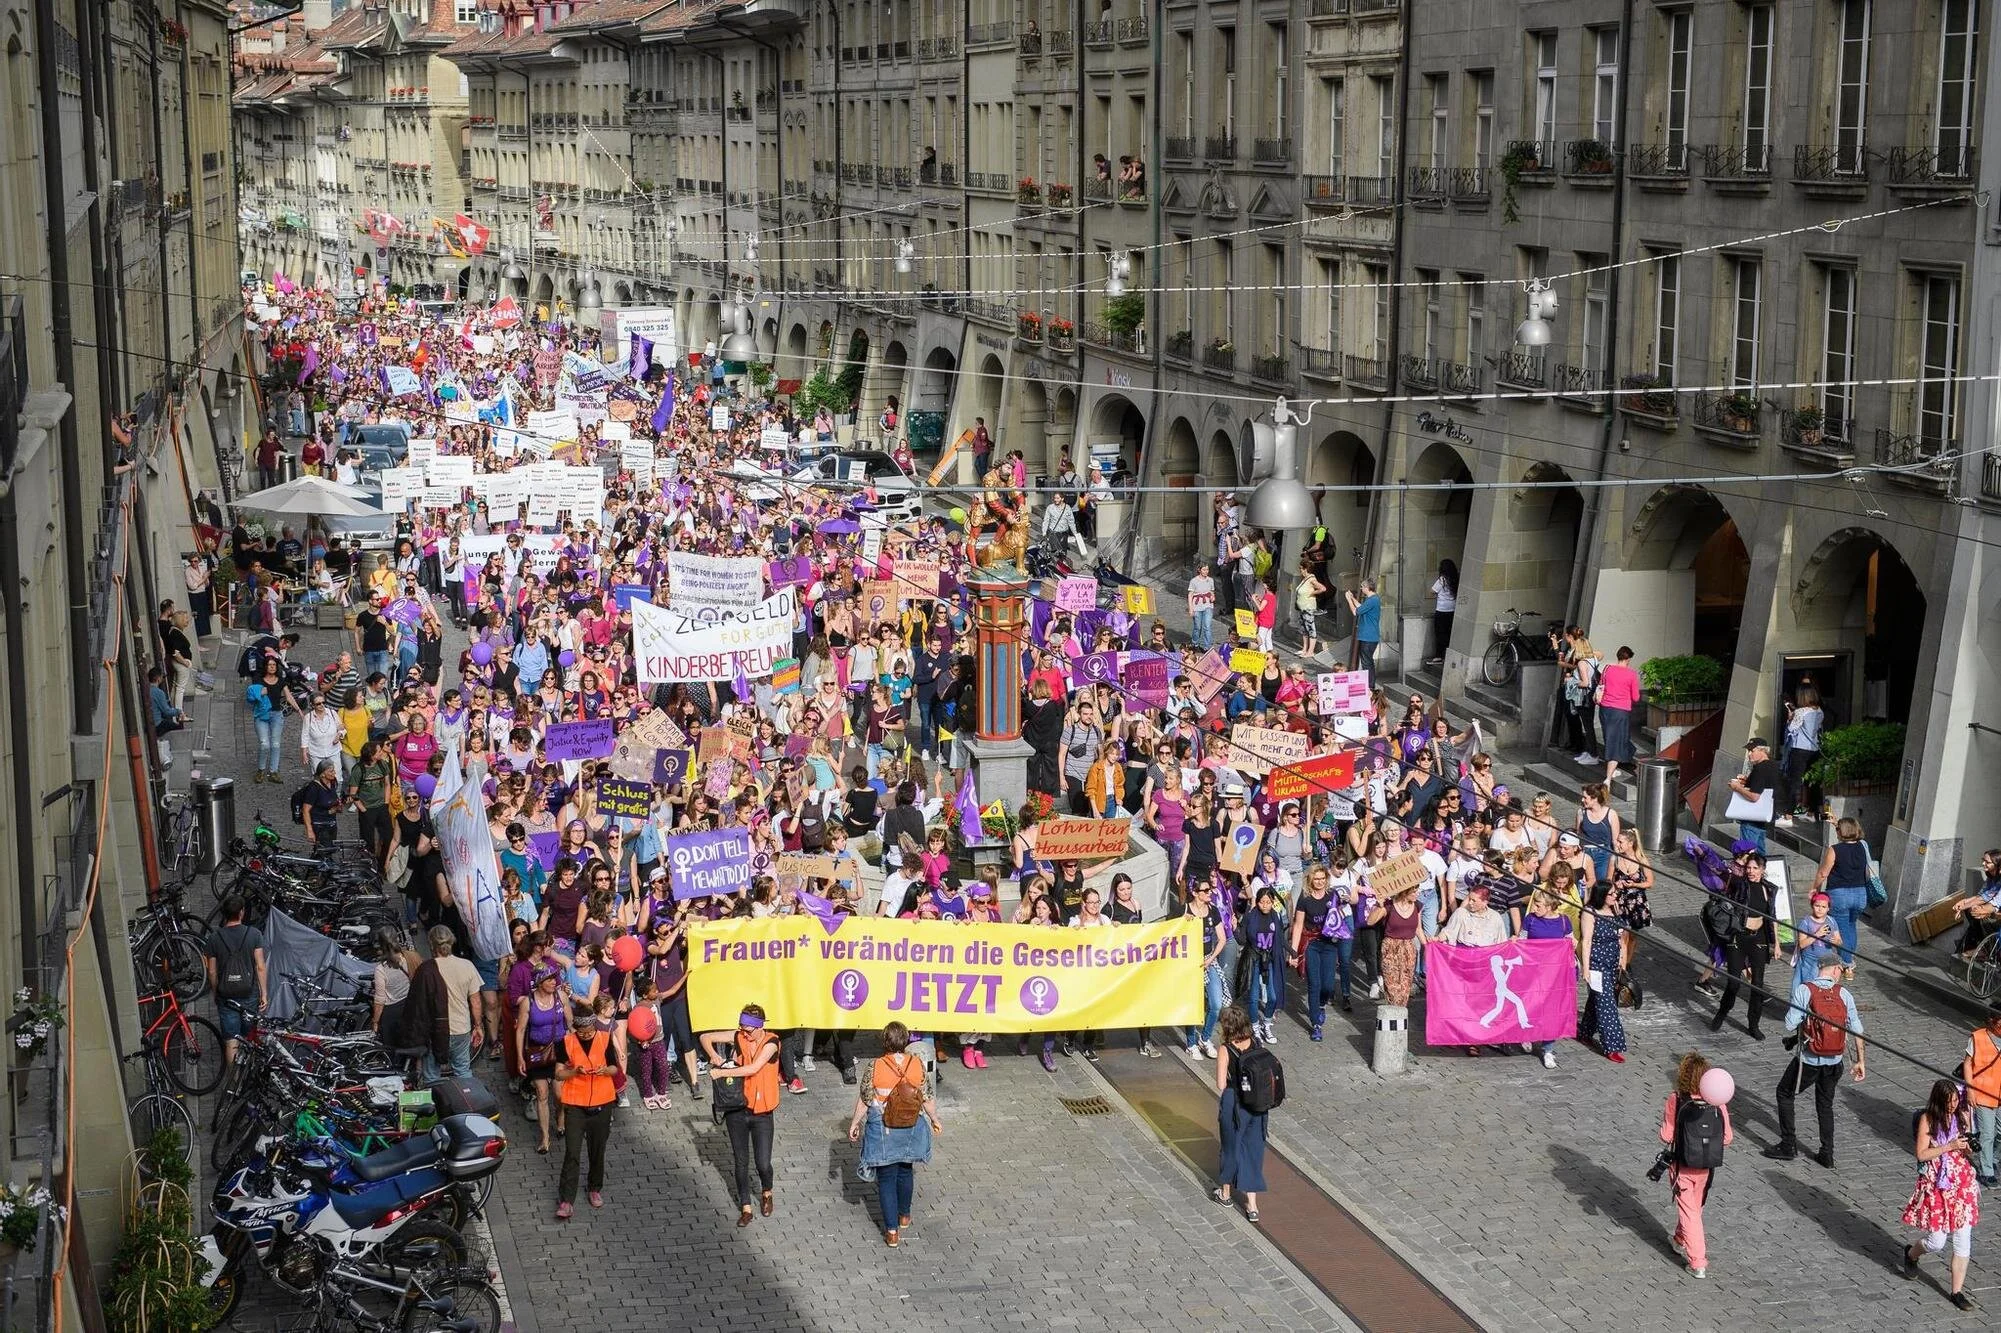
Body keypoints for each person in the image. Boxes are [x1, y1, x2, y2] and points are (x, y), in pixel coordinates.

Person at [1764, 955, 1866, 1168]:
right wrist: (1860, 1061)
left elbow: (1790, 1024)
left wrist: (1805, 1019)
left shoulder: (1805, 990)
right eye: (1841, 970)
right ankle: (1827, 1154)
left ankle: (1788, 1144)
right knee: (1825, 1105)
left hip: (1809, 1061)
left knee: (1784, 1093)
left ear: (1821, 968)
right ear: (1835, 969)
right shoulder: (1843, 994)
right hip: (1834, 1061)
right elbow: (1857, 1029)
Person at [846, 1021, 941, 1247]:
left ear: (885, 1042)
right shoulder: (916, 1063)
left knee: (887, 1177)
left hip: (884, 1127)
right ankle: (904, 1215)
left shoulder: (875, 1066)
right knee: (905, 1170)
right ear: (905, 1041)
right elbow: (927, 1097)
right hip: (911, 1126)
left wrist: (855, 1123)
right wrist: (935, 1120)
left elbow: (865, 1100)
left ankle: (891, 1232)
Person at [1900, 1079, 1982, 1310]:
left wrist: (1967, 1148)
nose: (1953, 1105)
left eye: (1955, 1100)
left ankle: (1957, 1292)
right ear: (1938, 1101)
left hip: (1962, 1184)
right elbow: (1921, 1154)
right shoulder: (1928, 1119)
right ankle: (1912, 1254)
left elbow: (1965, 1151)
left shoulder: (1961, 1116)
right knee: (1936, 1242)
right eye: (1949, 1101)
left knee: (1963, 1241)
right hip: (1937, 1186)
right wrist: (1950, 1146)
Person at [704, 1005, 782, 1227]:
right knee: (740, 1161)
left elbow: (753, 1068)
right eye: (742, 1029)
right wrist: (714, 1056)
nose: (744, 1034)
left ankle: (767, 1192)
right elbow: (705, 1037)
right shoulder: (739, 1036)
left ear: (759, 1027)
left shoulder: (772, 1043)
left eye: (748, 1030)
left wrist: (722, 1072)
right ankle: (746, 1206)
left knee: (763, 1163)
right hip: (737, 1108)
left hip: (762, 1113)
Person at [1658, 1051, 1733, 1280]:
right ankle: (1680, 1239)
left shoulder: (1676, 1099)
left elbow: (1666, 1135)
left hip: (1682, 1165)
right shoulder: (1717, 1101)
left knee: (1689, 1211)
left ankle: (1698, 1262)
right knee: (1693, 1208)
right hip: (1706, 1166)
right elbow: (1727, 1138)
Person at [553, 991, 618, 1218]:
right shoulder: (566, 1042)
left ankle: (594, 1188)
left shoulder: (604, 1038)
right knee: (572, 1152)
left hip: (602, 1102)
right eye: (582, 1032)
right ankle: (566, 1200)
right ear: (576, 1029)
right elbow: (558, 1074)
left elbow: (615, 1068)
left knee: (597, 1150)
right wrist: (574, 1072)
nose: (587, 1035)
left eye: (590, 1031)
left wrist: (605, 1070)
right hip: (575, 1105)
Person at [1708, 850, 1779, 1039]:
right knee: (1733, 982)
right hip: (1738, 936)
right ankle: (1722, 1012)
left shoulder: (1769, 889)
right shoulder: (1740, 885)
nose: (1751, 871)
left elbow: (1772, 917)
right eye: (1748, 868)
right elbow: (1726, 877)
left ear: (1762, 869)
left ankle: (1753, 1024)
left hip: (1759, 938)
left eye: (1755, 868)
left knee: (1757, 984)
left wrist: (1776, 944)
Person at [1211, 1005, 1270, 1224]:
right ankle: (1252, 1205)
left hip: (1235, 1104)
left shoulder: (1226, 1048)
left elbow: (1220, 1084)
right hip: (1258, 1105)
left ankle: (1226, 1194)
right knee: (1253, 1150)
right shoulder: (1256, 1042)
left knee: (1230, 1148)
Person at [205, 896, 268, 1069]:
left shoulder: (214, 938)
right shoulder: (254, 934)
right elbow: (260, 966)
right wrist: (264, 993)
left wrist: (216, 991)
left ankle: (235, 1078)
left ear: (224, 914)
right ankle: (249, 1072)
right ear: (241, 913)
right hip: (249, 992)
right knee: (249, 1035)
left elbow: (212, 971)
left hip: (226, 995)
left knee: (231, 1039)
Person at [1809, 816, 1873, 980]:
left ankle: (1847, 964)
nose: (1836, 831)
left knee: (1841, 930)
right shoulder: (1862, 845)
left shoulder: (1834, 849)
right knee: (1851, 926)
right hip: (1860, 894)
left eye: (1838, 829)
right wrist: (1837, 823)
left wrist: (1815, 888)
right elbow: (1850, 830)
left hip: (1840, 895)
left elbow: (1823, 873)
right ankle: (1849, 957)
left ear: (1840, 832)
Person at [423, 926, 484, 1080]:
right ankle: (466, 1094)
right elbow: (476, 1001)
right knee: (463, 1070)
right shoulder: (467, 966)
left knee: (431, 1074)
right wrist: (478, 1026)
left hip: (435, 1029)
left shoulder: (427, 969)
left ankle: (435, 1095)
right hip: (461, 1027)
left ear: (431, 944)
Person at [1959, 1007, 2001, 1188]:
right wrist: (1970, 1089)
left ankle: (1993, 1159)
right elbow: (1967, 1064)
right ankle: (1986, 1171)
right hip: (1983, 1092)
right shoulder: (1978, 1037)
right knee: (1988, 1134)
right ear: (1992, 1021)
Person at [1727, 737, 1783, 854]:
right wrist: (1747, 781)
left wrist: (1736, 787)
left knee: (1748, 853)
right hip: (1766, 815)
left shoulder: (1760, 768)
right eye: (1748, 751)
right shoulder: (1774, 765)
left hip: (1752, 817)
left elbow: (1754, 796)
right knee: (1759, 853)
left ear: (1763, 750)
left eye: (1752, 751)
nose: (1749, 754)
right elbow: (1765, 784)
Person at [1778, 685, 1825, 824]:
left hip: (1800, 750)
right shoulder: (1819, 711)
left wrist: (1790, 718)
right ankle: (1812, 813)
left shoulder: (1800, 712)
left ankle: (1788, 816)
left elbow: (1792, 729)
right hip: (1815, 750)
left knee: (1794, 783)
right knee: (1813, 782)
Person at [1596, 647, 1641, 785]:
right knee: (1616, 741)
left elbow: (1601, 686)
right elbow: (1636, 697)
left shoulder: (1607, 669)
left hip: (1605, 709)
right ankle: (1608, 778)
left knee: (1610, 738)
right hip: (1620, 711)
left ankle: (1618, 764)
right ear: (1628, 659)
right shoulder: (1631, 674)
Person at [1951, 849, 2001, 960]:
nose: (1983, 863)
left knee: (1978, 912)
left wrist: (1964, 906)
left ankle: (1988, 949)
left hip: (1998, 915)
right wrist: (1964, 902)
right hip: (1995, 911)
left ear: (1997, 864)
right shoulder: (1991, 877)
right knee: (1972, 909)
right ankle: (1983, 946)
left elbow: (1988, 900)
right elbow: (1980, 896)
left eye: (1987, 862)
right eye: (1983, 860)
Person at [1345, 578, 1381, 682]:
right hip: (1368, 636)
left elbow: (1355, 612)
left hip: (1368, 636)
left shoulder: (1372, 600)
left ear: (1367, 587)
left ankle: (1370, 685)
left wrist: (1348, 600)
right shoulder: (1372, 599)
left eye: (1362, 587)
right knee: (1367, 661)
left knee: (1367, 662)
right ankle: (1369, 683)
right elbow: (1361, 607)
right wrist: (1352, 598)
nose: (1361, 589)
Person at [1428, 559, 1457, 666]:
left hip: (1442, 610)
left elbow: (1432, 591)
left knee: (1440, 634)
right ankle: (1447, 656)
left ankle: (1439, 656)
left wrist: (1439, 596)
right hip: (1452, 610)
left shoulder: (1442, 580)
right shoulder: (1455, 579)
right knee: (1449, 633)